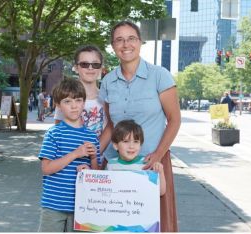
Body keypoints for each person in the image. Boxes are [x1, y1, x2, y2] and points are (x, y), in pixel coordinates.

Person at [99, 20, 180, 232]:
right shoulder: (108, 81)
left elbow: (174, 120)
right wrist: (93, 155)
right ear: (113, 45)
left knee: (154, 225)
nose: (126, 44)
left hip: (151, 165)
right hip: (116, 166)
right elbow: (110, 125)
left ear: (140, 42)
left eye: (131, 38)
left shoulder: (159, 75)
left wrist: (158, 155)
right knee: (116, 226)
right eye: (119, 39)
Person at [37, 78, 100, 232]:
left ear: (84, 103)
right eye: (67, 101)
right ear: (58, 105)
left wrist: (92, 160)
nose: (74, 106)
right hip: (53, 205)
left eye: (78, 100)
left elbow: (97, 176)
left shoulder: (92, 137)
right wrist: (76, 154)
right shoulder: (53, 133)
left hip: (83, 206)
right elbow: (46, 168)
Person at [54, 45, 106, 142]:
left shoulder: (107, 98)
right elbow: (59, 133)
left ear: (101, 68)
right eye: (84, 64)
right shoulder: (65, 97)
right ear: (76, 68)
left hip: (102, 155)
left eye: (95, 64)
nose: (90, 68)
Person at [106, 120, 166, 195]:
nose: (131, 146)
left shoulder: (146, 164)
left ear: (140, 145)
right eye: (126, 141)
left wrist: (160, 172)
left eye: (136, 141)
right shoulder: (111, 164)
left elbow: (161, 192)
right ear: (115, 145)